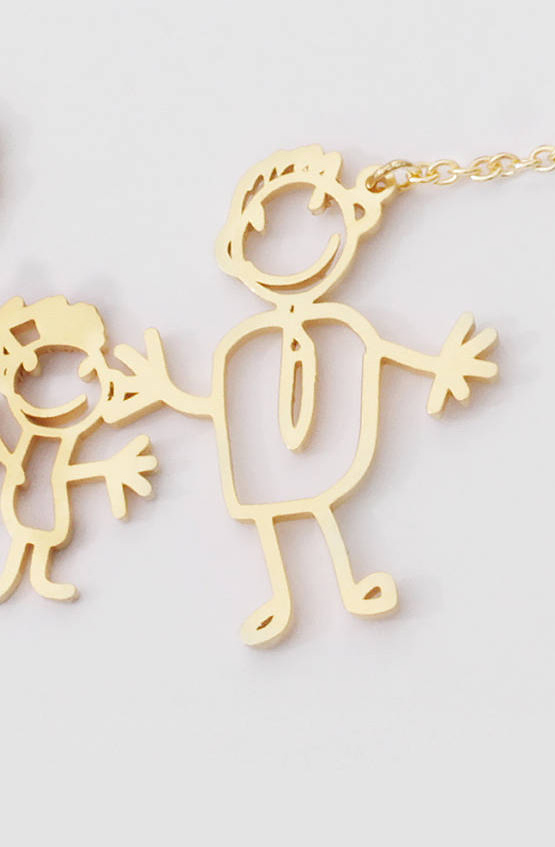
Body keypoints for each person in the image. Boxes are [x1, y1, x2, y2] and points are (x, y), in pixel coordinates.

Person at [108, 148, 496, 646]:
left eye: (318, 214)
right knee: (274, 519)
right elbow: (220, 405)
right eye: (260, 229)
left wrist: (442, 366)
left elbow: (384, 354)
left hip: (323, 451)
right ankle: (283, 599)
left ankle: (348, 588)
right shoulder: (246, 345)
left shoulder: (340, 327)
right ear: (236, 250)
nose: (287, 246)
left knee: (319, 509)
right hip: (264, 457)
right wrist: (163, 390)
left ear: (352, 219)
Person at [0, 295, 165, 604]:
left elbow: (68, 473)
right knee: (23, 536)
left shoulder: (65, 440)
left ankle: (41, 579)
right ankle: (12, 575)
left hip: (49, 504)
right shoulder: (31, 436)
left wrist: (112, 468)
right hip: (20, 494)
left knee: (41, 537)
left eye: (83, 374)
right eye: (32, 368)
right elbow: (13, 458)